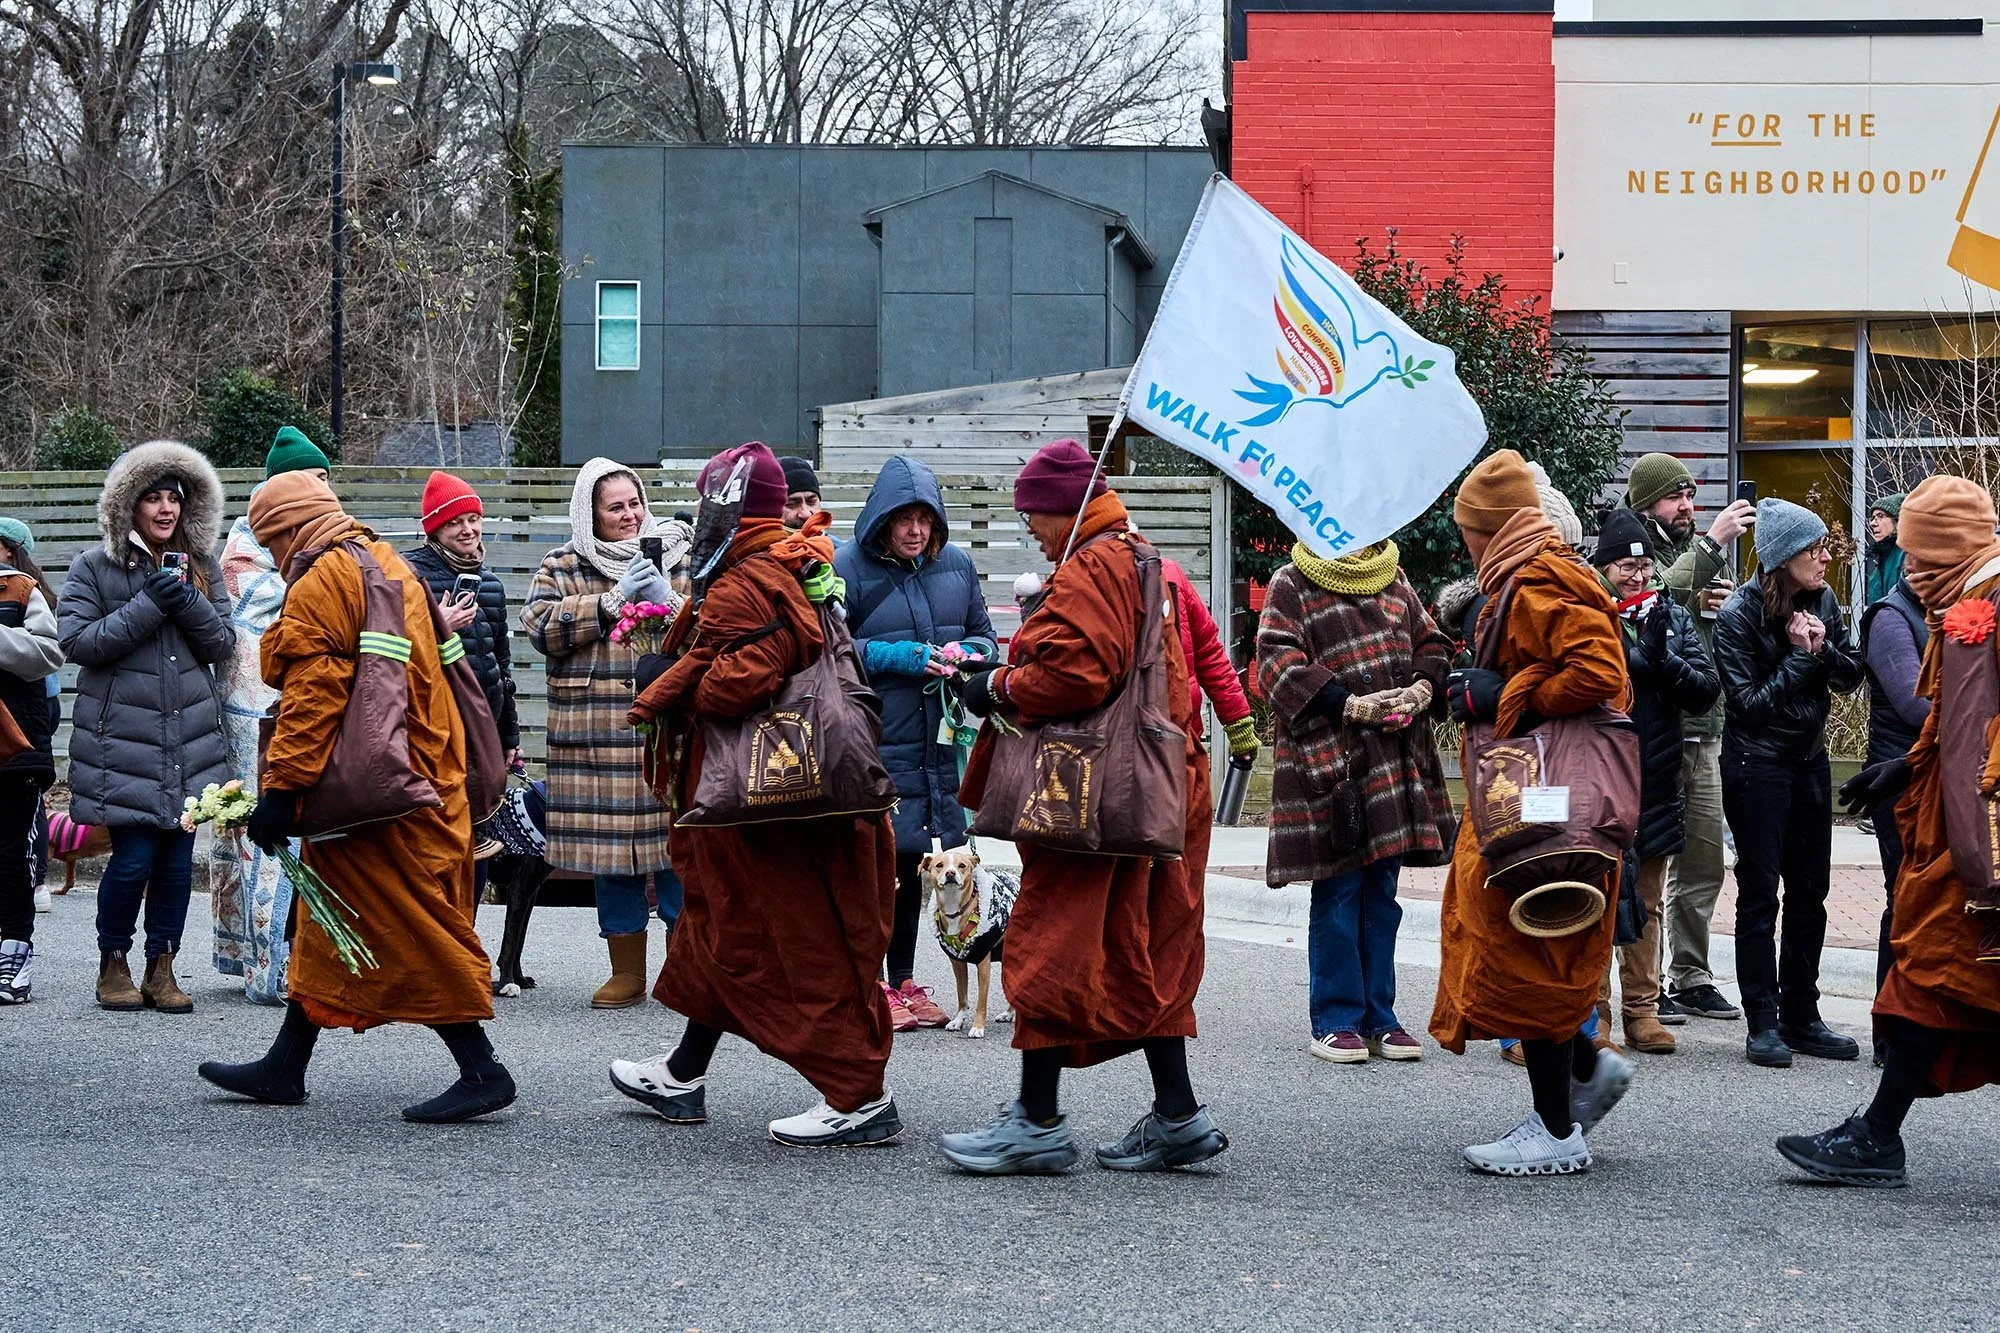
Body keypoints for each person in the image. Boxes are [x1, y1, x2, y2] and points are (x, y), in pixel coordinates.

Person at [939, 438, 1225, 1175]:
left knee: (1048, 939)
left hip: (1090, 792)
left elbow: (1077, 672)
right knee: (1144, 945)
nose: (1031, 527)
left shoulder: (1093, 564)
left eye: (1035, 513)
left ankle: (1035, 1121)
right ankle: (1178, 1115)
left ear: (1067, 507)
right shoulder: (1142, 557)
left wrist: (999, 686)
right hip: (1158, 780)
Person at [608, 442, 903, 1147]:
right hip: (797, 795)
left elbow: (748, 674)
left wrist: (670, 677)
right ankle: (682, 1072)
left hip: (769, 803)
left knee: (797, 937)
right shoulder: (796, 560)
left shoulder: (747, 578)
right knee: (727, 926)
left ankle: (857, 1093)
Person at [198, 472, 514, 1123]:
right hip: (421, 774)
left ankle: (483, 1068)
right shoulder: (384, 559)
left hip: (379, 795)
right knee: (328, 920)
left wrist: (281, 792)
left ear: (287, 528)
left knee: (411, 923)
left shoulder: (320, 582)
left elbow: (316, 698)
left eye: (270, 536)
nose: (271, 551)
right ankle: (285, 1065)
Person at [1779, 475, 2000, 1187]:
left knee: (1930, 971)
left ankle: (1877, 1136)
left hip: (1972, 846)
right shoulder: (1973, 598)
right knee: (1949, 981)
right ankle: (1878, 1133)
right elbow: (1948, 725)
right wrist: (1902, 770)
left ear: (1943, 549)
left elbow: (1972, 746)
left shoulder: (1978, 615)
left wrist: (1979, 867)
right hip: (1958, 827)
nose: (1908, 570)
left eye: (1917, 554)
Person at [1430, 448, 1634, 1177]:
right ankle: (1579, 1073)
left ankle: (1556, 1130)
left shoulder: (1541, 574)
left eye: (1467, 530)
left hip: (1548, 801)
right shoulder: (1525, 572)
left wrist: (1501, 693)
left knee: (1537, 947)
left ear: (1489, 528)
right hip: (1532, 797)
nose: (1464, 543)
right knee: (1529, 942)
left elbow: (1601, 674)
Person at [1256, 536, 1451, 1063]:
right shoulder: (1290, 581)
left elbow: (1433, 644)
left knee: (1382, 895)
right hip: (1332, 763)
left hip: (1393, 756)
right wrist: (1350, 704)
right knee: (1340, 891)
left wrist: (1420, 691)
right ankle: (1336, 1018)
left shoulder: (1394, 577)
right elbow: (1276, 665)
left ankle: (1380, 1017)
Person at [58, 441, 235, 1014]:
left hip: (190, 742)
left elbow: (222, 643)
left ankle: (163, 968)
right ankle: (114, 963)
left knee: (178, 863)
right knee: (133, 860)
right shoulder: (94, 566)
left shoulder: (203, 567)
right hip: (121, 744)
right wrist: (148, 604)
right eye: (152, 498)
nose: (164, 510)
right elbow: (77, 642)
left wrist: (183, 599)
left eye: (173, 499)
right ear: (127, 507)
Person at [833, 456, 996, 1030]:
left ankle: (903, 981)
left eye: (925, 518)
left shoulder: (956, 565)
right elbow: (832, 647)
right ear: (881, 517)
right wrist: (895, 658)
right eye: (903, 517)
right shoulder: (845, 566)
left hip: (941, 743)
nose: (915, 529)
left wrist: (968, 656)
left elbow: (985, 636)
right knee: (884, 865)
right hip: (878, 736)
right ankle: (873, 983)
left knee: (917, 862)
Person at [523, 459, 690, 1008]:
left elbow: (705, 628)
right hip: (594, 737)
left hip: (665, 735)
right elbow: (540, 627)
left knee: (677, 854)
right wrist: (608, 602)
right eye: (614, 507)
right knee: (612, 857)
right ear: (588, 513)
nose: (629, 515)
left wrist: (672, 604)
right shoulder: (562, 564)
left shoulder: (674, 557)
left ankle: (685, 969)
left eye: (634, 503)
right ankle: (627, 972)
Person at [1714, 498, 1865, 1067]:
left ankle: (1803, 1014)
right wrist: (1800, 660)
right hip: (1756, 765)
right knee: (1760, 894)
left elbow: (1852, 677)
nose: (1826, 558)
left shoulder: (1822, 598)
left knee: (1811, 891)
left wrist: (1823, 648)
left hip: (1809, 761)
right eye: (1815, 549)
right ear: (1782, 558)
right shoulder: (1739, 615)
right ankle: (1763, 1020)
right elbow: (1747, 705)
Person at [1621, 452, 1757, 1024]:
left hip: (1706, 727)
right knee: (1648, 864)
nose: (1688, 507)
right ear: (1648, 500)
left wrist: (1716, 611)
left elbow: (1684, 625)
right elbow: (1642, 600)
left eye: (1690, 496)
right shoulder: (1630, 548)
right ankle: (1643, 989)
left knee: (1703, 859)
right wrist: (1711, 546)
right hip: (1653, 734)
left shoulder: (1687, 554)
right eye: (1676, 496)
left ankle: (1692, 971)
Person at [1588, 510, 1720, 1057]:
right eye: (1626, 565)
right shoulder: (1589, 613)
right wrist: (1642, 660)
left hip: (1657, 775)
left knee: (1649, 900)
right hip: (1599, 776)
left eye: (1644, 565)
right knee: (1596, 898)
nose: (1638, 576)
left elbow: (1704, 690)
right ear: (1604, 567)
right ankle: (1593, 1018)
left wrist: (1664, 662)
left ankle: (1642, 1009)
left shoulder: (1671, 617)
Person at [209, 427, 329, 1003]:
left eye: (328, 478)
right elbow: (253, 615)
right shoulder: (244, 548)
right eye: (315, 477)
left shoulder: (310, 548)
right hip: (252, 710)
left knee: (276, 830)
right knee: (262, 832)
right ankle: (264, 960)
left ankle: (276, 952)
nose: (326, 488)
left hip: (288, 702)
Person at [404, 472, 520, 769]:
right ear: (434, 530)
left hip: (484, 730)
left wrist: (509, 735)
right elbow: (388, 657)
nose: (468, 530)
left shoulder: (491, 585)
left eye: (473, 519)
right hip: (431, 733)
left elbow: (502, 667)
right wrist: (438, 626)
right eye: (454, 522)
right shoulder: (408, 576)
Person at [1858, 563, 1929, 1033]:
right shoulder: (1891, 616)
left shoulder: (1954, 609)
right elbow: (1912, 702)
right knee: (1905, 898)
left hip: (1940, 773)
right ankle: (1892, 1028)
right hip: (1899, 776)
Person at [0, 532, 64, 1003]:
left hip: (13, 744)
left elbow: (48, 653)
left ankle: (14, 953)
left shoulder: (20, 589)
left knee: (6, 851)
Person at [1864, 493, 1906, 606]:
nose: (1873, 523)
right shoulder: (1879, 565)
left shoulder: (1908, 558)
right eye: (1873, 518)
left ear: (1898, 521)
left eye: (1880, 516)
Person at [779, 456, 822, 531]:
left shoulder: (833, 542)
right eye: (791, 504)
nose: (806, 514)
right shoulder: (755, 542)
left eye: (811, 502)